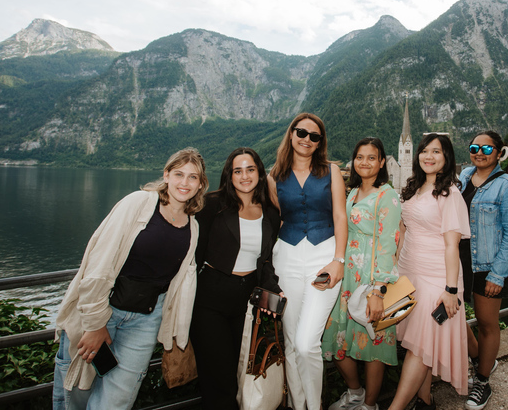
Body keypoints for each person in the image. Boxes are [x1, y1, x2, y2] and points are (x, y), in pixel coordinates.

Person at [53, 147, 208, 410]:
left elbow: (179, 284)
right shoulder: (138, 203)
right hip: (106, 310)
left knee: (117, 401)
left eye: (193, 177)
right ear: (166, 175)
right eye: (179, 174)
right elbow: (100, 262)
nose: (185, 182)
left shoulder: (192, 225)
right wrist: (94, 323)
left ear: (201, 184)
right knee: (75, 395)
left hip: (145, 321)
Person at [267, 112, 348, 410]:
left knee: (305, 343)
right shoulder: (273, 177)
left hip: (324, 256)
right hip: (286, 257)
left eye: (314, 136)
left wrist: (339, 260)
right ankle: (297, 405)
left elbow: (340, 215)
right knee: (290, 342)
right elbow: (277, 218)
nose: (307, 139)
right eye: (302, 133)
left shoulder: (331, 171)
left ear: (320, 143)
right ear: (291, 134)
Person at [191, 147, 282, 409]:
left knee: (243, 371)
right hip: (211, 299)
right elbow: (195, 254)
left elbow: (265, 261)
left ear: (259, 173)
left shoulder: (271, 213)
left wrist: (274, 290)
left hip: (247, 302)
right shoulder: (212, 205)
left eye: (250, 169)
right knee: (218, 378)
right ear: (229, 176)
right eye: (237, 171)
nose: (244, 176)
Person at [388, 134, 471, 410]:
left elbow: (452, 246)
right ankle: (424, 401)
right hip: (409, 271)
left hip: (436, 275)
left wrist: (450, 290)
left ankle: (396, 407)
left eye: (436, 151)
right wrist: (394, 269)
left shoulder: (450, 193)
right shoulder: (415, 187)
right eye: (424, 150)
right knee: (421, 342)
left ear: (446, 158)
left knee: (418, 347)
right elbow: (403, 229)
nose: (429, 156)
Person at [322, 138, 402, 410]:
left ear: (382, 162)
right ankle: (354, 392)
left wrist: (378, 290)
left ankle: (369, 405)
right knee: (335, 337)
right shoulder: (353, 191)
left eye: (371, 157)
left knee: (373, 345)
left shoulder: (387, 195)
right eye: (359, 157)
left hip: (371, 277)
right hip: (347, 277)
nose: (364, 162)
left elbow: (388, 243)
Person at [458, 131, 508, 410]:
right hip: (459, 263)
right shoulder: (462, 178)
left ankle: (482, 381)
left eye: (487, 148)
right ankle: (481, 360)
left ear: (499, 152)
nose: (480, 152)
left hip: (489, 264)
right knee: (455, 320)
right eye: (474, 147)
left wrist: (498, 274)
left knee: (486, 324)